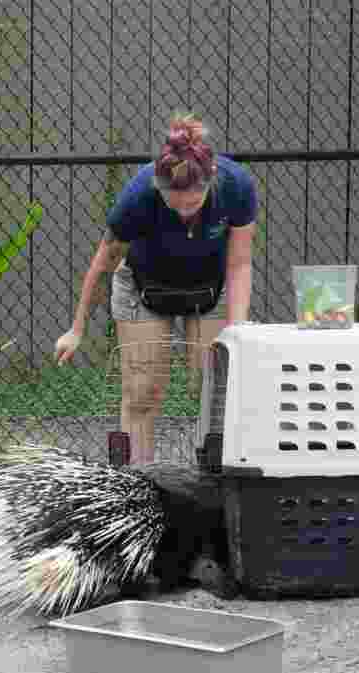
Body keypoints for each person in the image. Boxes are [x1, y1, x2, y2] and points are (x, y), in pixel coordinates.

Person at [55, 112, 258, 465]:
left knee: (215, 389)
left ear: (210, 180)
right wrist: (77, 328)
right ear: (159, 189)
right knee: (142, 392)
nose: (183, 214)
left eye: (192, 204)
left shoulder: (236, 186)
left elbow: (239, 263)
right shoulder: (138, 196)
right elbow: (103, 263)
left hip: (210, 291)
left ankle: (215, 486)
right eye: (173, 205)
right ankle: (137, 483)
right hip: (144, 290)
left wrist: (236, 330)